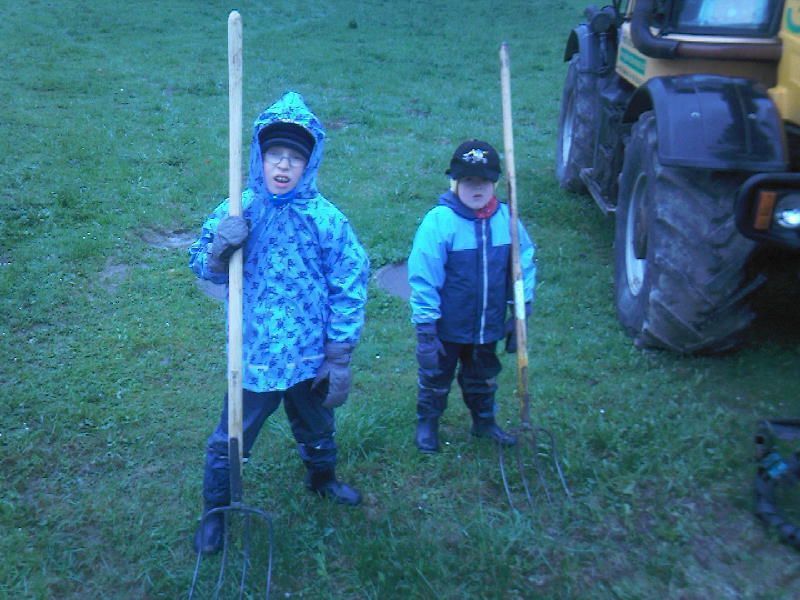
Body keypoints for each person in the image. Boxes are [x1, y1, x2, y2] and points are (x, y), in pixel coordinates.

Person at [188, 91, 369, 554]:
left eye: (294, 157)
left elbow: (350, 279)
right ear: (259, 158)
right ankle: (216, 509)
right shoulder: (239, 208)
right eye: (275, 155)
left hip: (310, 356)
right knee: (232, 434)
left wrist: (339, 354)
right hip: (254, 355)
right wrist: (219, 248)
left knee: (318, 425)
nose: (284, 166)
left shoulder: (325, 219)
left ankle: (322, 476)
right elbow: (202, 263)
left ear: (309, 164)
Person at [407, 139, 536, 453]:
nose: (476, 188)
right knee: (436, 376)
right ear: (455, 182)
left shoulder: (508, 221)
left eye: (483, 181)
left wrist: (520, 310)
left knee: (483, 376)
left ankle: (484, 421)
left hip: (487, 324)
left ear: (494, 183)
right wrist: (426, 327)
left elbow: (524, 264)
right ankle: (428, 421)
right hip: (447, 327)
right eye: (468, 181)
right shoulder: (440, 222)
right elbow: (424, 276)